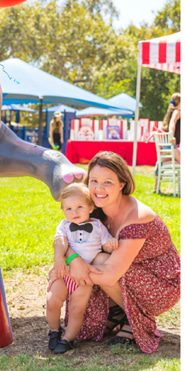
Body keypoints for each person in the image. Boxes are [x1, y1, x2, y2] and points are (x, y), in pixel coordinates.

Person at [54, 151, 180, 353]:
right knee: (91, 259)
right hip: (126, 270)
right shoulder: (94, 209)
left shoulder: (137, 217)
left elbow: (110, 274)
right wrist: (72, 259)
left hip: (160, 284)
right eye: (94, 181)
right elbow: (65, 235)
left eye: (108, 182)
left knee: (99, 262)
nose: (99, 188)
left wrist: (73, 270)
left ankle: (135, 319)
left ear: (122, 184)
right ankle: (118, 312)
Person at [46, 183, 118, 354]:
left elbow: (105, 245)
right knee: (52, 301)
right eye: (68, 208)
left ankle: (68, 339)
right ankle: (54, 331)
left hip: (83, 277)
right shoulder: (64, 225)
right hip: (64, 272)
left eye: (79, 207)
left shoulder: (98, 226)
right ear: (63, 210)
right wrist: (58, 259)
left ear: (91, 207)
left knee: (77, 309)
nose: (74, 212)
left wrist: (111, 244)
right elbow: (60, 242)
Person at [168, 96, 180, 162]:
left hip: (169, 146)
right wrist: (171, 136)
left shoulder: (170, 111)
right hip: (173, 146)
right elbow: (172, 123)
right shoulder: (177, 112)